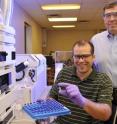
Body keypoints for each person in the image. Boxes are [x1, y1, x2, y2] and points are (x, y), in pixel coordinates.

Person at [48, 40, 113, 124]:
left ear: (93, 57)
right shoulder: (64, 73)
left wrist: (82, 101)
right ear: (73, 57)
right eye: (77, 56)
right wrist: (46, 110)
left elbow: (105, 115)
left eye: (85, 56)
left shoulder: (103, 80)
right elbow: (51, 97)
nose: (81, 60)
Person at [91, 1, 117, 105]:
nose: (112, 19)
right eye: (108, 15)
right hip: (102, 95)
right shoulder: (95, 40)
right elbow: (91, 67)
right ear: (103, 18)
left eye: (116, 14)